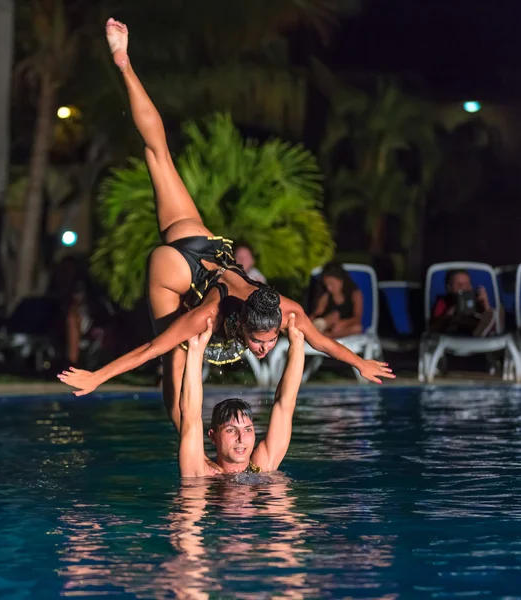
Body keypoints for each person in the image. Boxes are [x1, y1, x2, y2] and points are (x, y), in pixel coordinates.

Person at [58, 19, 394, 425]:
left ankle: (124, 62)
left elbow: (322, 342)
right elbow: (148, 349)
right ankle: (123, 62)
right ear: (241, 322)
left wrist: (360, 363)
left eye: (269, 342)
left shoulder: (284, 310)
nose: (266, 348)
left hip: (204, 245)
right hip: (175, 270)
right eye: (259, 341)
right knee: (172, 363)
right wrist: (99, 376)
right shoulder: (208, 315)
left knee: (159, 155)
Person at [178, 314, 304, 477]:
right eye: (231, 430)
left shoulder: (263, 467)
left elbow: (285, 404)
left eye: (248, 429)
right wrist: (195, 350)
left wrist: (297, 344)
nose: (241, 438)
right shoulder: (201, 474)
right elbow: (190, 415)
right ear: (213, 436)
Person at [430, 269, 496, 337]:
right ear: (449, 288)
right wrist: (449, 315)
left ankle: (477, 334)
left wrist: (486, 304)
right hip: (453, 336)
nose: (464, 288)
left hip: (475, 333)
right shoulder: (443, 303)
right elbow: (433, 328)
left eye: (467, 284)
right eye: (459, 285)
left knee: (497, 311)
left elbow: (493, 327)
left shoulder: (477, 301)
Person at [309, 262, 363, 338]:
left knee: (357, 328)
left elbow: (357, 318)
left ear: (341, 280)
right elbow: (317, 313)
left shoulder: (355, 294)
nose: (329, 288)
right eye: (326, 284)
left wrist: (344, 323)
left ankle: (326, 336)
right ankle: (321, 332)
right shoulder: (326, 296)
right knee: (334, 315)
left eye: (331, 284)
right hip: (327, 325)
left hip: (344, 328)